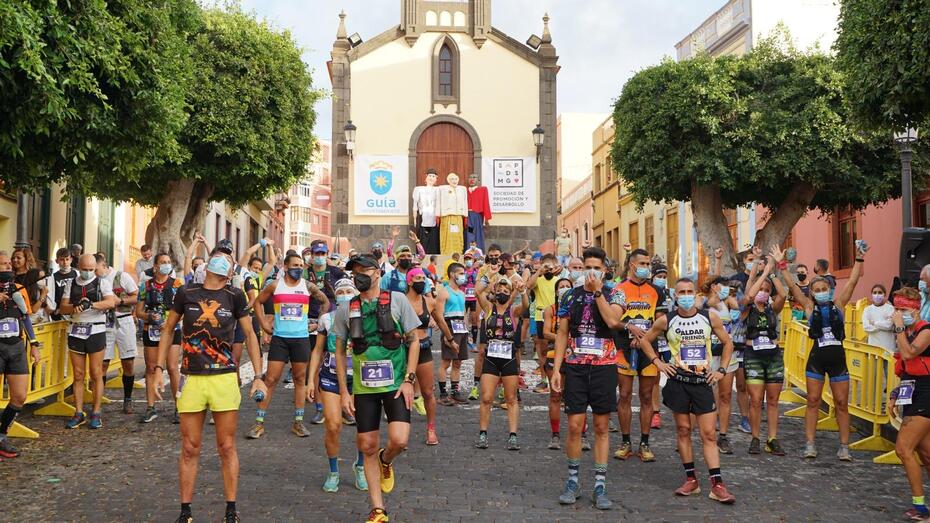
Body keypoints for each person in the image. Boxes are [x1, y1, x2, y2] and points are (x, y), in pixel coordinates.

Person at [154, 248, 266, 523]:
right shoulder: (186, 293)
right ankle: (185, 512)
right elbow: (168, 329)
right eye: (220, 257)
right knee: (190, 447)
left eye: (228, 260)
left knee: (226, 446)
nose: (223, 261)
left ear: (231, 271)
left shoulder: (235, 296)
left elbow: (250, 334)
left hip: (224, 377)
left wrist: (259, 375)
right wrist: (158, 369)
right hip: (191, 377)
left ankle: (230, 510)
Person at [330, 255, 421, 523]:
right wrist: (345, 392)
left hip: (395, 384)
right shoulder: (346, 309)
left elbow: (414, 341)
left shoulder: (398, 300)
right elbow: (338, 351)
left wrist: (409, 379)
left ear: (378, 272)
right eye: (354, 271)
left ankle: (386, 459)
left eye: (364, 270)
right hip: (364, 387)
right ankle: (378, 509)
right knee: (367, 445)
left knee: (399, 440)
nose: (359, 274)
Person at [638, 277, 737, 504]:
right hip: (678, 381)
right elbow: (645, 340)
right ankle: (691, 480)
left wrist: (721, 369)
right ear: (675, 296)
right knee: (683, 430)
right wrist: (658, 362)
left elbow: (728, 342)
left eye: (689, 291)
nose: (685, 295)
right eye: (681, 291)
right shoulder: (666, 320)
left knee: (709, 434)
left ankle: (717, 485)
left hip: (702, 381)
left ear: (695, 294)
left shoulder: (708, 316)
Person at [550, 246, 625, 510]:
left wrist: (597, 293)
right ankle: (572, 480)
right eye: (586, 266)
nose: (591, 271)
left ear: (604, 269)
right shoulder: (569, 295)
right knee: (574, 426)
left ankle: (600, 484)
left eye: (596, 267)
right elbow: (561, 333)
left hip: (604, 366)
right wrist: (557, 369)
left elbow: (613, 321)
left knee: (602, 427)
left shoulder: (615, 293)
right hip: (576, 366)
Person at [782, 242, 866, 460]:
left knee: (841, 403)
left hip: (838, 360)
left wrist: (858, 258)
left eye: (824, 290)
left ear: (829, 290)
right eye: (817, 290)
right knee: (812, 400)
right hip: (816, 360)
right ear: (812, 293)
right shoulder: (809, 308)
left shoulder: (839, 305)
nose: (821, 293)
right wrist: (781, 265)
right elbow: (792, 287)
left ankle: (844, 446)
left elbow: (854, 281)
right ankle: (810, 444)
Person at [248, 253, 329, 439]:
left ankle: (298, 423)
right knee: (270, 380)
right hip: (280, 338)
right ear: (285, 266)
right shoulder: (276, 285)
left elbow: (324, 301)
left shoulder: (307, 286)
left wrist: (318, 323)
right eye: (294, 265)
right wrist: (263, 325)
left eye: (301, 265)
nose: (298, 268)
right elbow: (258, 302)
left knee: (300, 379)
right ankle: (258, 423)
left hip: (301, 339)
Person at [307, 278, 367, 493]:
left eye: (348, 290)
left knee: (364, 427)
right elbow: (317, 351)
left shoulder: (365, 317)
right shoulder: (326, 319)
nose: (344, 294)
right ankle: (333, 471)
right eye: (340, 291)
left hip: (361, 378)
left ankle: (360, 466)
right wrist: (309, 381)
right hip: (330, 376)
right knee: (333, 426)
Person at [614, 248, 664, 462]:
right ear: (632, 265)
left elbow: (661, 322)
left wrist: (644, 339)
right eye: (642, 263)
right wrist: (630, 330)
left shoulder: (656, 291)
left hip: (648, 349)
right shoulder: (619, 289)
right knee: (624, 395)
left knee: (646, 396)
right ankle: (626, 441)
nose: (646, 267)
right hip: (624, 349)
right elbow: (614, 320)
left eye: (648, 264)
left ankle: (644, 442)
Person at [60, 254, 118, 429]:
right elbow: (63, 307)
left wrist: (91, 304)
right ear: (78, 267)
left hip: (96, 330)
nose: (88, 273)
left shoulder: (102, 283)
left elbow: (110, 303)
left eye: (91, 270)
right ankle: (78, 413)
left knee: (96, 373)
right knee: (78, 374)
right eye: (84, 270)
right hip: (77, 330)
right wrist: (74, 307)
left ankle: (96, 412)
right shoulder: (72, 283)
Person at [742, 247, 788, 456]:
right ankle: (755, 438)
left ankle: (772, 438)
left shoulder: (773, 309)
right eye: (763, 289)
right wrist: (763, 271)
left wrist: (772, 271)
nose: (764, 293)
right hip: (753, 356)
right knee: (756, 400)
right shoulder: (747, 308)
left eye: (767, 291)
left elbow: (784, 294)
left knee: (773, 400)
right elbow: (750, 294)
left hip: (773, 356)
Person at [889, 287, 930, 520]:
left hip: (926, 393)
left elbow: (908, 354)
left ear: (915, 310)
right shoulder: (907, 331)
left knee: (903, 449)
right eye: (896, 308)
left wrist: (898, 329)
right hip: (913, 391)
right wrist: (896, 393)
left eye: (902, 309)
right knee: (926, 454)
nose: (897, 313)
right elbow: (907, 370)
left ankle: (921, 507)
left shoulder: (926, 330)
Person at [474, 276, 527, 450]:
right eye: (500, 290)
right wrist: (487, 285)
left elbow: (525, 306)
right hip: (491, 357)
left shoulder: (514, 311)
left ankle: (513, 435)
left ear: (510, 293)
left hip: (508, 358)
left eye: (506, 290)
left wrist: (523, 291)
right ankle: (483, 434)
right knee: (487, 397)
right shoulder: (489, 307)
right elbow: (477, 292)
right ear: (495, 292)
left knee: (511, 399)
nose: (502, 292)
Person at [404, 268, 454, 445]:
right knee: (401, 392)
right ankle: (402, 432)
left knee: (427, 392)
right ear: (409, 281)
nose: (422, 281)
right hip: (403, 349)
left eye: (423, 278)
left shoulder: (429, 302)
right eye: (418, 278)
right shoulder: (400, 302)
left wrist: (450, 339)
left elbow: (440, 321)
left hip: (424, 347)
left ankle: (431, 429)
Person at [135, 252, 185, 424]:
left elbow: (185, 311)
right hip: (151, 331)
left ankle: (180, 407)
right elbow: (138, 312)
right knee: (151, 368)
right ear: (155, 266)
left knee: (172, 367)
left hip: (172, 330)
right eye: (163, 262)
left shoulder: (177, 284)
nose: (166, 264)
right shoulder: (145, 286)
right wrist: (149, 317)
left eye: (168, 262)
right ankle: (150, 408)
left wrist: (172, 322)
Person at [0, 255, 41, 458]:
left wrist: (34, 344)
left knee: (20, 396)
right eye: (4, 264)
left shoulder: (18, 288)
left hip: (16, 347)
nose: (9, 266)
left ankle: (1, 436)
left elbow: (26, 317)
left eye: (9, 264)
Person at [697, 275, 740, 455]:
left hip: (726, 354)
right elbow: (698, 308)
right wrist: (711, 301)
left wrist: (728, 299)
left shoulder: (728, 302)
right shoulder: (701, 299)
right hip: (706, 355)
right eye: (724, 286)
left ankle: (722, 435)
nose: (727, 289)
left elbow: (737, 308)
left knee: (726, 395)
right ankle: (700, 433)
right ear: (715, 286)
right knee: (704, 394)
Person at [97, 253, 139, 415]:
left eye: (96, 269)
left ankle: (127, 399)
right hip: (104, 323)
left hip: (124, 320)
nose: (94, 272)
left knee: (127, 362)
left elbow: (136, 297)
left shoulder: (122, 276)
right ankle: (98, 401)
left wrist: (120, 301)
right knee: (103, 364)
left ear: (104, 266)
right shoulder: (95, 281)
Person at [543, 278, 574, 449]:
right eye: (561, 287)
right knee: (555, 395)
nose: (564, 289)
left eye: (567, 286)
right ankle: (555, 435)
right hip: (554, 354)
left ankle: (580, 434)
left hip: (575, 356)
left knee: (575, 395)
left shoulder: (578, 307)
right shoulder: (551, 310)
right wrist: (563, 338)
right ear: (556, 292)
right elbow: (545, 332)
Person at [526, 254, 563, 394]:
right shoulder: (539, 279)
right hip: (540, 316)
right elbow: (528, 286)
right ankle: (544, 380)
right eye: (545, 266)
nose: (548, 269)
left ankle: (557, 377)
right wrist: (539, 271)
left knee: (555, 349)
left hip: (556, 316)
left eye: (550, 266)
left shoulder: (559, 280)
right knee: (542, 351)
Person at [435, 262, 470, 405]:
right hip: (450, 326)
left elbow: (463, 313)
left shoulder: (462, 293)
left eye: (464, 273)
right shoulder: (444, 292)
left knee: (458, 362)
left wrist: (467, 331)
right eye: (461, 273)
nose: (463, 276)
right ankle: (443, 393)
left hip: (461, 327)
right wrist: (447, 336)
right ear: (452, 274)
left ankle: (455, 391)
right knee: (446, 362)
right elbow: (439, 316)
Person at [649, 262, 672, 430]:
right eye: (659, 277)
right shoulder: (650, 293)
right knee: (655, 378)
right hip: (656, 339)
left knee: (678, 372)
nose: (662, 280)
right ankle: (655, 412)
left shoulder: (672, 294)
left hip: (671, 341)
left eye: (664, 277)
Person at [12, 247, 46, 321]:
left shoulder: (38, 273)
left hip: (35, 315)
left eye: (18, 258)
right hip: (16, 315)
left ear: (27, 259)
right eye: (13, 258)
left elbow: (44, 292)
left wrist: (42, 298)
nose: (15, 260)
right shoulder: (11, 276)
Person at [863, 284, 896, 353]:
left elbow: (889, 325)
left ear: (884, 294)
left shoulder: (890, 308)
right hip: (873, 346)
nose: (877, 295)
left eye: (880, 292)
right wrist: (883, 326)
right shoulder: (867, 310)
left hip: (888, 346)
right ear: (871, 294)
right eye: (874, 292)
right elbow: (866, 327)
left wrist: (875, 323)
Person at [47, 247, 77, 321]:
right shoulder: (53, 277)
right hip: (60, 313)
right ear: (57, 261)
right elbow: (51, 295)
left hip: (75, 310)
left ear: (71, 260)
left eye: (67, 259)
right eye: (62, 259)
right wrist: (56, 309)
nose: (65, 262)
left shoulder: (77, 274)